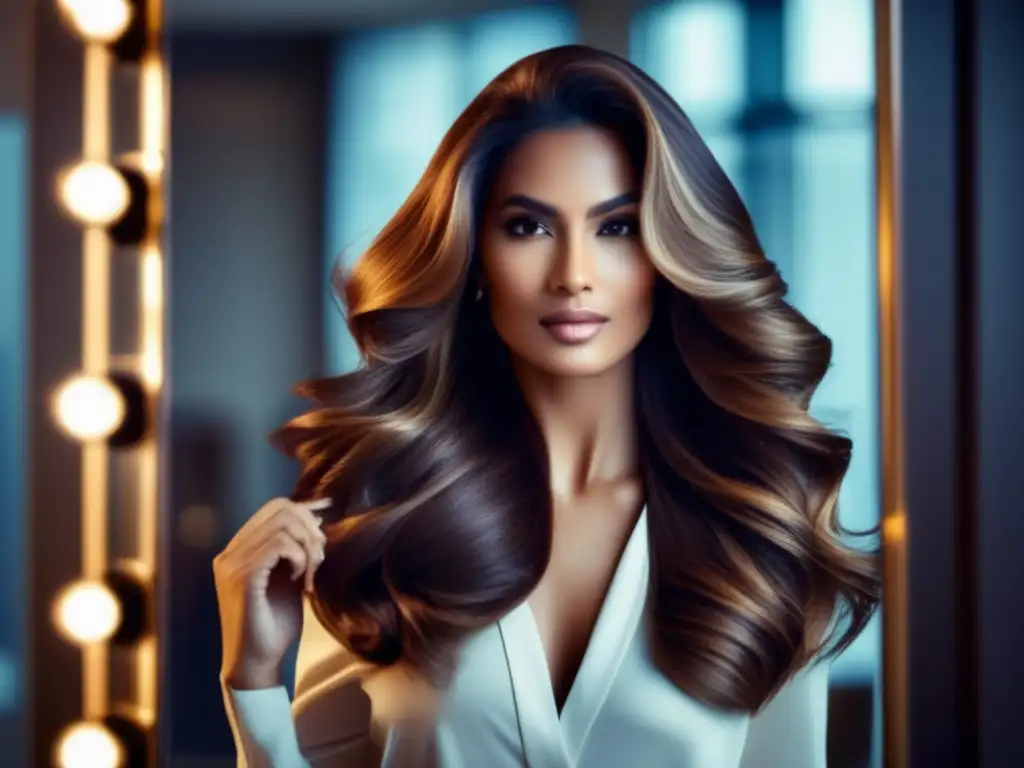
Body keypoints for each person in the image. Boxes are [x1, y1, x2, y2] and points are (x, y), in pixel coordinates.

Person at [213, 44, 880, 767]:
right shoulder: (384, 509)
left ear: (669, 254)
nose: (573, 276)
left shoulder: (758, 524)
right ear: (473, 256)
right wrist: (251, 677)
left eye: (616, 227)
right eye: (527, 227)